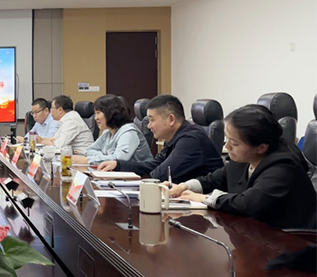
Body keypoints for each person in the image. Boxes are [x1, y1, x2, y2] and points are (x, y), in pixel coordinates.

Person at [169, 104, 317, 229]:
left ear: (261, 147)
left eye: (234, 143)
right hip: (255, 233)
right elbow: (213, 179)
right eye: (227, 139)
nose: (227, 146)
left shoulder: (283, 166)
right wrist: (183, 187)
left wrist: (204, 198)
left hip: (291, 241)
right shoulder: (244, 158)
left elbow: (248, 203)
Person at [97, 94, 223, 182]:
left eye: (152, 120)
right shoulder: (176, 136)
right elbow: (154, 165)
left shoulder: (191, 139)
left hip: (205, 205)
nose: (149, 126)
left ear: (171, 119)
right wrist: (118, 165)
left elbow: (161, 174)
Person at [72, 95, 153, 166]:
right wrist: (105, 156)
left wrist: (88, 160)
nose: (96, 118)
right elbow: (89, 150)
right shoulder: (107, 132)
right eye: (95, 114)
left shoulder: (129, 132)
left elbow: (118, 160)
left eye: (98, 113)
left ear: (111, 113)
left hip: (140, 176)